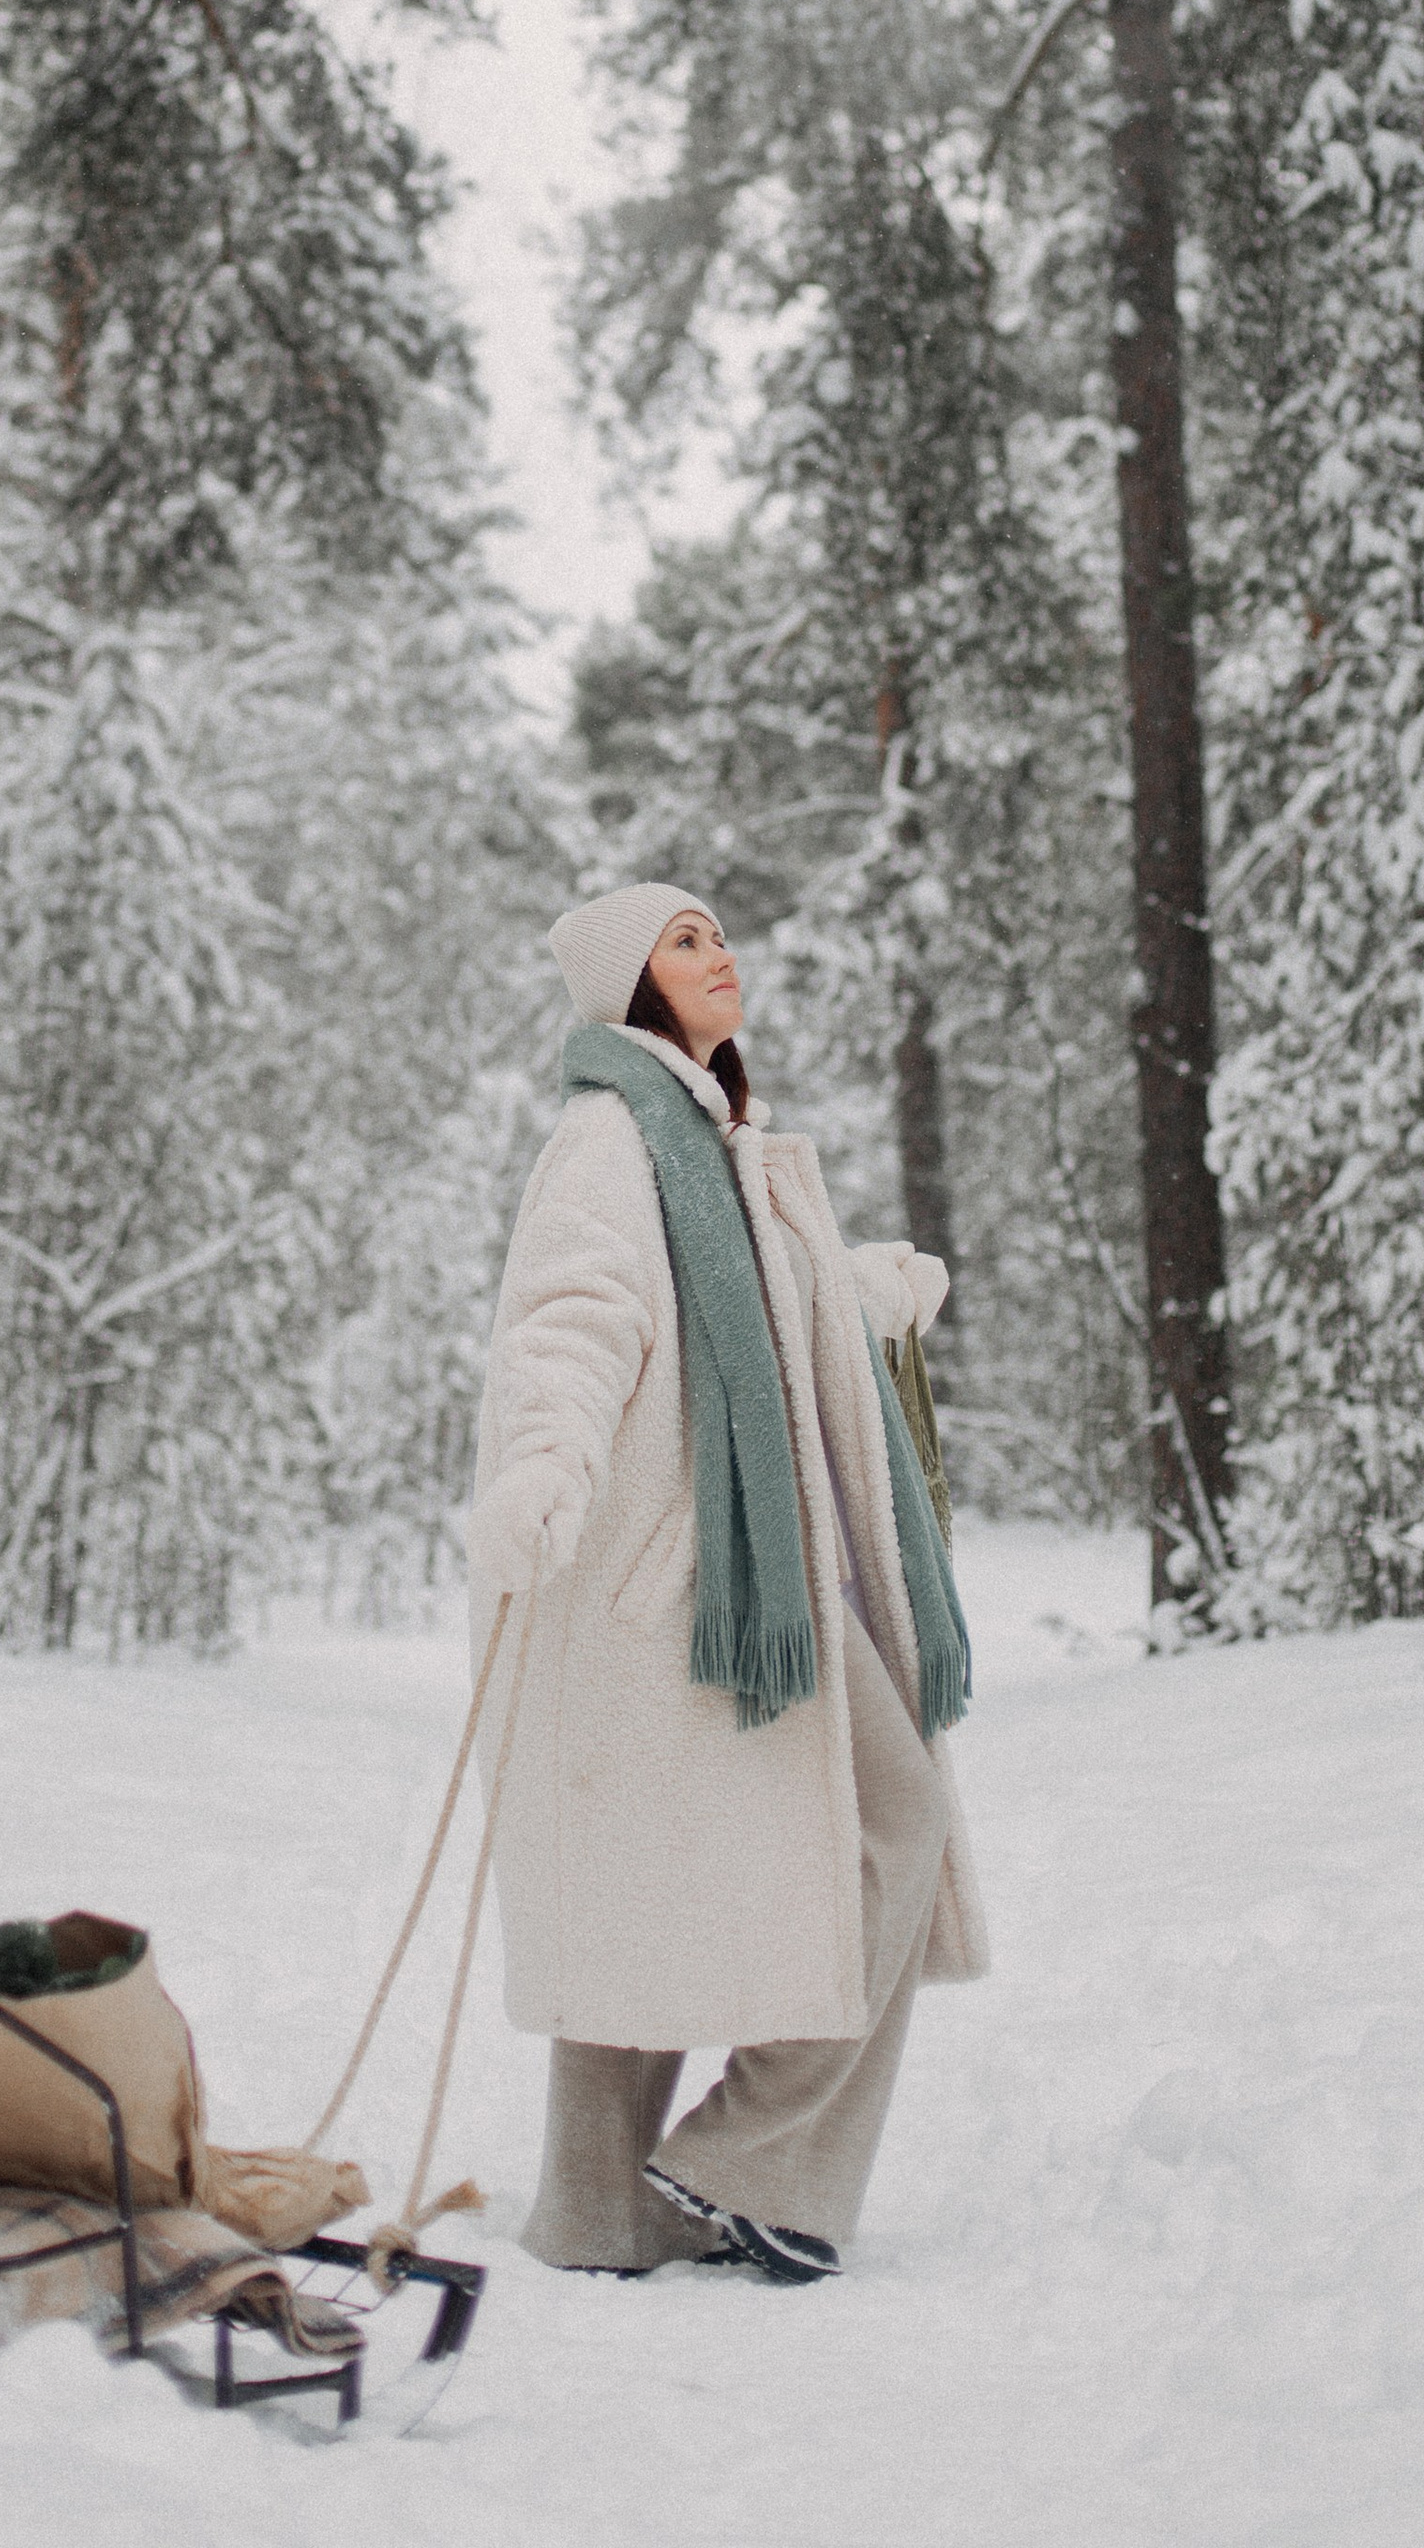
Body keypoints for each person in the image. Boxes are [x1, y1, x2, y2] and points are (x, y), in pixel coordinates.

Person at [466, 882, 988, 2282]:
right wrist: (539, 1468)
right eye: (686, 940)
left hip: (729, 1574)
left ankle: (599, 2206)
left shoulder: (704, 1136)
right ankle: (751, 2160)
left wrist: (865, 1289)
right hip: (678, 1581)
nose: (722, 953)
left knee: (649, 1871)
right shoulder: (609, 1140)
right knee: (891, 1816)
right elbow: (574, 1321)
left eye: (716, 932)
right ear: (625, 984)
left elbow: (758, 1321)